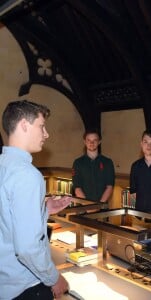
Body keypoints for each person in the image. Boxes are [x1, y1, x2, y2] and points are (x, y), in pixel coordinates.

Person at [0, 100, 72, 300]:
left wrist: (44, 209)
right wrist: (54, 278)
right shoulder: (28, 175)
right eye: (41, 126)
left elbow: (6, 216)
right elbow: (27, 248)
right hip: (26, 287)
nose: (46, 134)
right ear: (24, 124)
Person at [72, 129, 115, 208]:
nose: (91, 143)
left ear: (99, 142)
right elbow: (77, 188)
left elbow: (109, 187)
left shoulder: (108, 162)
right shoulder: (77, 163)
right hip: (83, 208)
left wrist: (98, 206)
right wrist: (88, 207)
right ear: (84, 142)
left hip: (102, 208)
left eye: (95, 140)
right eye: (89, 140)